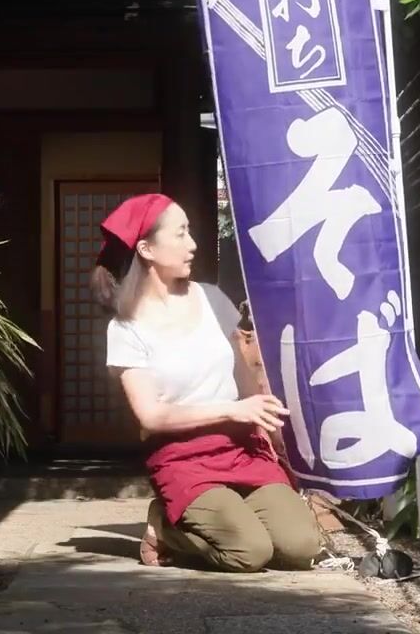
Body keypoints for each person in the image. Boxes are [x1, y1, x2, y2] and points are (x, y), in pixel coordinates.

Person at [90, 192, 322, 573]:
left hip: (240, 448)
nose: (193, 244)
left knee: (302, 546)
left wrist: (272, 432)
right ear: (147, 249)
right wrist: (232, 410)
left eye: (190, 231)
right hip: (183, 458)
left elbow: (246, 383)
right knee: (249, 553)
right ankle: (166, 526)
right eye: (180, 233)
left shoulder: (212, 299)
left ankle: (231, 513)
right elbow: (150, 416)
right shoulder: (126, 328)